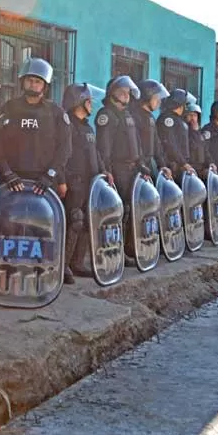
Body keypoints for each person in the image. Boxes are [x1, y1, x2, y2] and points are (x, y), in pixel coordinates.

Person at [0, 57, 72, 200]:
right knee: (9, 221)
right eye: (29, 80)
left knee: (43, 221)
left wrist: (50, 176)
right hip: (12, 182)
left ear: (45, 86)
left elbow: (65, 148)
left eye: (37, 81)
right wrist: (6, 173)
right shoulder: (9, 108)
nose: (33, 84)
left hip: (43, 183)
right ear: (22, 82)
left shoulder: (55, 112)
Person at [95, 75, 150, 266]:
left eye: (128, 92)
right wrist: (106, 170)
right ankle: (111, 250)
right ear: (112, 93)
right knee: (117, 211)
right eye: (123, 92)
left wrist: (141, 163)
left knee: (129, 210)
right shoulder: (106, 115)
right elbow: (103, 148)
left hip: (132, 168)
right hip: (117, 169)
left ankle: (125, 249)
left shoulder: (127, 114)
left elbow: (137, 144)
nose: (127, 95)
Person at [60, 82, 112, 282]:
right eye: (88, 100)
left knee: (85, 223)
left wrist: (104, 172)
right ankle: (63, 266)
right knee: (74, 221)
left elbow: (95, 153)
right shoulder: (68, 126)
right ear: (78, 102)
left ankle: (78, 263)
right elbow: (61, 156)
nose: (92, 104)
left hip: (90, 182)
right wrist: (62, 180)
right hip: (74, 182)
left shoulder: (86, 126)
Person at [130, 79, 172, 179]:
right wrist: (140, 166)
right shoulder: (134, 116)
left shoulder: (150, 117)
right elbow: (133, 144)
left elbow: (156, 143)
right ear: (147, 96)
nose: (159, 101)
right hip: (135, 168)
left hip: (147, 166)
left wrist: (162, 165)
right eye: (156, 97)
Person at [156, 88, 195, 184]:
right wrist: (183, 162)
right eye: (185, 104)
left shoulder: (179, 119)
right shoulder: (167, 118)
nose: (186, 107)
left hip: (181, 165)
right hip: (172, 166)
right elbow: (170, 144)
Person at [184, 101, 216, 177]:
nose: (193, 118)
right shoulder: (183, 131)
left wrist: (211, 162)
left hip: (200, 168)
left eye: (195, 115)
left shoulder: (200, 132)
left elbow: (205, 150)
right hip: (188, 168)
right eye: (190, 115)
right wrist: (194, 132)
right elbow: (192, 145)